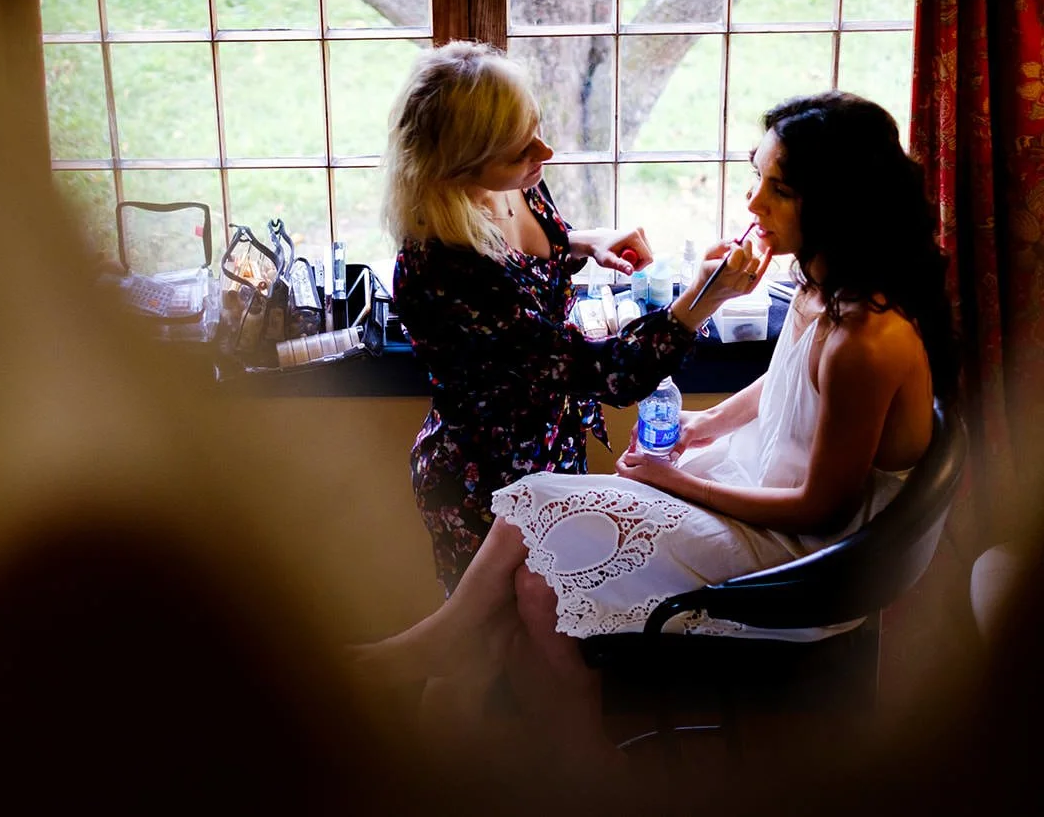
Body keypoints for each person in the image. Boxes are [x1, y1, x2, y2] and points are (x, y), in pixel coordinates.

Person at [356, 90, 958, 767]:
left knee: (534, 502)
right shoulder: (823, 287)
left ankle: (448, 640)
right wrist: (704, 426)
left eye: (779, 189)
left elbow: (824, 508)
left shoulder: (866, 340)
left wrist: (678, 479)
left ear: (838, 201)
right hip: (766, 490)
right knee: (533, 582)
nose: (754, 204)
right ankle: (588, 759)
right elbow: (783, 382)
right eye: (754, 176)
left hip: (804, 556)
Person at [382, 40, 768, 595]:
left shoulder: (516, 186)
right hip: (484, 477)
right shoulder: (442, 266)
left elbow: (526, 262)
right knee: (483, 653)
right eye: (520, 150)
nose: (546, 151)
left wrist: (586, 242)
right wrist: (706, 297)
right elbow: (608, 374)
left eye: (534, 127)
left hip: (553, 451)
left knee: (548, 632)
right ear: (459, 167)